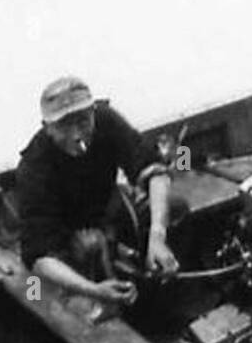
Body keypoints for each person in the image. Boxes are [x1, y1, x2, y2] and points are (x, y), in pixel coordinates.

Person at [16, 76, 180, 311]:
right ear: (47, 128)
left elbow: (156, 172)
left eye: (83, 121)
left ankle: (165, 291)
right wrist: (92, 290)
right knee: (83, 274)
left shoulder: (107, 120)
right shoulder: (34, 167)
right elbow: (37, 257)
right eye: (64, 126)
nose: (77, 135)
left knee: (175, 207)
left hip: (106, 211)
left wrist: (157, 237)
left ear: (93, 112)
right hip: (64, 240)